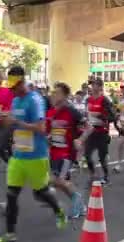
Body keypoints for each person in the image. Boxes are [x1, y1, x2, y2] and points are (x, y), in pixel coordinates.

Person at [0, 66, 68, 242]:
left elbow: (41, 128)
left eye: (14, 86)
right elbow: (13, 122)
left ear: (22, 82)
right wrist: (4, 118)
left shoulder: (35, 100)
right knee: (11, 196)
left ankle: (59, 211)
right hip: (18, 155)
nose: (12, 90)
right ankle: (10, 236)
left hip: (36, 156)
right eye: (10, 87)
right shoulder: (16, 100)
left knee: (40, 192)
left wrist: (16, 122)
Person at [46, 82, 86, 218]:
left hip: (67, 153)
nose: (53, 95)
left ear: (64, 96)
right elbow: (47, 131)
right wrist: (48, 137)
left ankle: (76, 200)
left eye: (57, 93)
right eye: (53, 92)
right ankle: (80, 203)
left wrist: (80, 140)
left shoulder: (71, 111)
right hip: (54, 152)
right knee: (60, 182)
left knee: (57, 180)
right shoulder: (51, 112)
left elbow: (89, 127)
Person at [84, 78, 115, 185]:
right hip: (91, 132)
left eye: (95, 85)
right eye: (92, 85)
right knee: (87, 155)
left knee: (102, 157)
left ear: (100, 87)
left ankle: (106, 176)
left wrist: (100, 116)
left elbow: (112, 117)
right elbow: (86, 114)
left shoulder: (105, 100)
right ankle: (93, 174)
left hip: (102, 132)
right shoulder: (88, 100)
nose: (92, 87)